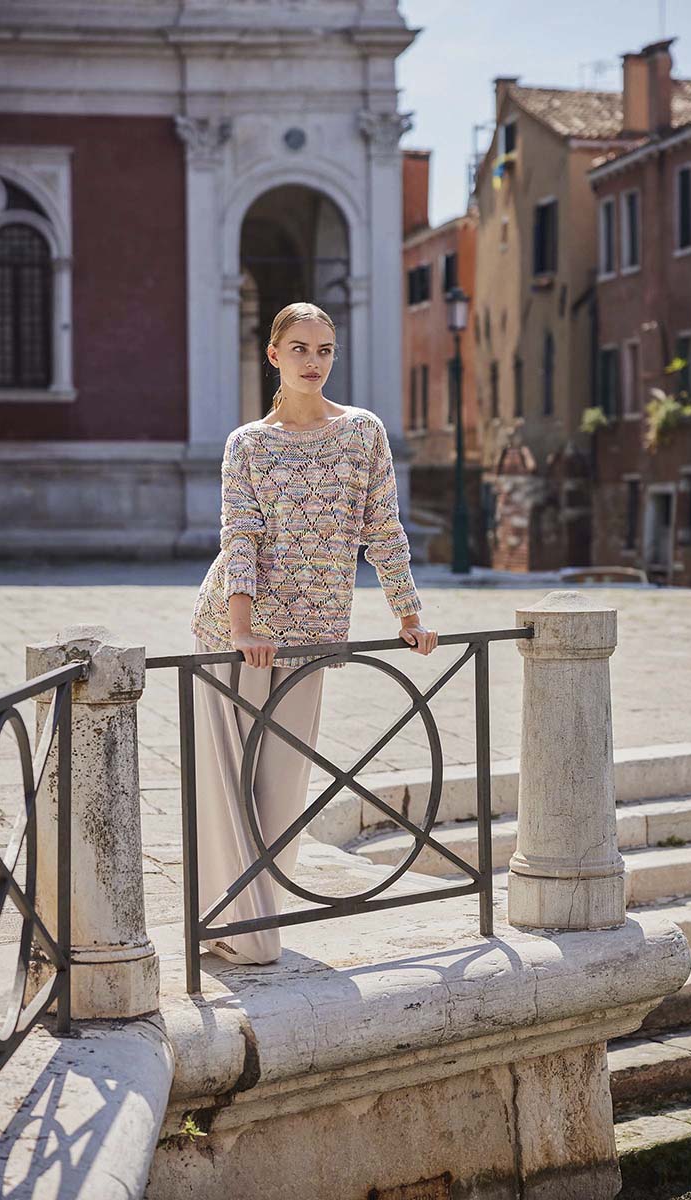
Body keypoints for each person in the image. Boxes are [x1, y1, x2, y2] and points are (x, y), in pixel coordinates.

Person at [189, 300, 438, 965]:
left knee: (282, 787)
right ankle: (229, 928)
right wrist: (243, 628)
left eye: (323, 350)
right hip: (230, 631)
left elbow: (382, 528)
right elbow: (240, 536)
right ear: (274, 355)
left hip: (313, 634)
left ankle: (255, 925)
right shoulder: (248, 443)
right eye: (298, 348)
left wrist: (408, 616)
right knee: (225, 785)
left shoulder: (362, 432)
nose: (312, 362)